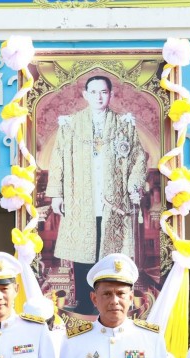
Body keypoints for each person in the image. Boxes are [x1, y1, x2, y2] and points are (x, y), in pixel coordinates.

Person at [45, 75, 149, 314]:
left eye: (103, 92)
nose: (99, 97)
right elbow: (57, 160)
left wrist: (134, 187)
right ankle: (85, 302)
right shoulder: (70, 125)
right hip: (81, 198)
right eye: (94, 92)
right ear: (85, 95)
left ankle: (114, 304)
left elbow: (138, 159)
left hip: (113, 201)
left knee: (111, 254)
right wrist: (57, 195)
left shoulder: (124, 125)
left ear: (111, 94)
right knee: (84, 252)